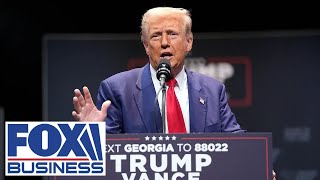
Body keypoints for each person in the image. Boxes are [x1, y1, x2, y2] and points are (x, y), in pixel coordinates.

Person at [72, 7, 276, 179]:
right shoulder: (117, 89)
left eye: (172, 33)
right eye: (155, 36)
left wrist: (258, 165)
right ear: (145, 46)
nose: (164, 42)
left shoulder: (213, 90)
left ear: (189, 42)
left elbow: (235, 141)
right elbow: (108, 164)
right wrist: (91, 135)